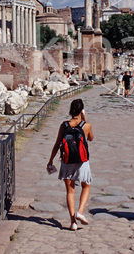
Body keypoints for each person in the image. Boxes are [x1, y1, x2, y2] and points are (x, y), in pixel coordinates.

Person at [47, 99, 95, 231]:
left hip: (66, 161)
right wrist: (85, 119)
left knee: (70, 191)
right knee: (86, 186)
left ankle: (73, 222)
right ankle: (80, 211)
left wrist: (50, 160)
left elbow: (57, 144)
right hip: (82, 162)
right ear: (81, 110)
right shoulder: (86, 126)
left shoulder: (64, 125)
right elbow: (91, 138)